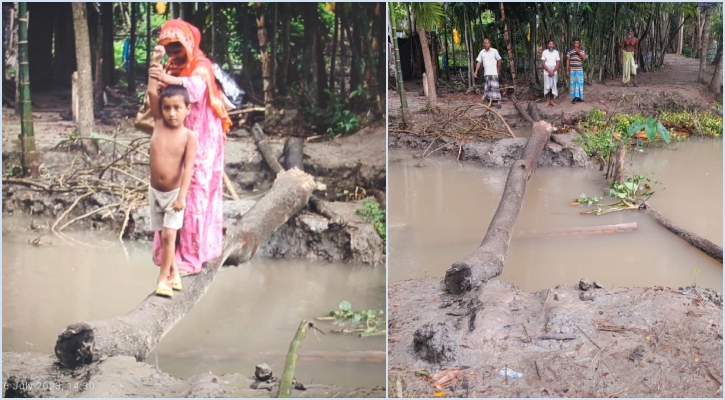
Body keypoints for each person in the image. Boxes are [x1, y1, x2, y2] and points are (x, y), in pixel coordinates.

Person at [148, 19, 231, 276]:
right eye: (169, 47)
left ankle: (192, 257)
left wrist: (168, 77)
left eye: (177, 46)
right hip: (175, 138)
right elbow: (156, 93)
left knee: (194, 196)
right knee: (173, 193)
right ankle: (169, 255)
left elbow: (194, 91)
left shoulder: (201, 66)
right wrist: (158, 64)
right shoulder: (173, 65)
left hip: (202, 140)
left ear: (189, 44)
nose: (173, 52)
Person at [147, 46, 198, 297]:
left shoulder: (189, 136)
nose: (171, 113)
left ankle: (163, 279)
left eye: (178, 108)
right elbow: (150, 91)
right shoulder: (158, 124)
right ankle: (175, 273)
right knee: (163, 235)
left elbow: (189, 167)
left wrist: (182, 197)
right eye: (167, 108)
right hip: (154, 191)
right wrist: (156, 61)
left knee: (169, 236)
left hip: (174, 194)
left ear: (188, 110)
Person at [473, 38, 502, 109]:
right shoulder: (482, 52)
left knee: (495, 87)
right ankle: (490, 101)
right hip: (486, 73)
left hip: (494, 72)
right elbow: (479, 62)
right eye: (485, 43)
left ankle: (498, 101)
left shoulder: (494, 51)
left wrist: (498, 70)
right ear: (483, 44)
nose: (486, 44)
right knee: (488, 88)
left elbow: (499, 60)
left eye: (487, 43)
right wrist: (476, 71)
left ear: (490, 44)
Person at [566, 38, 587, 104]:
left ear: (579, 43)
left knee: (579, 83)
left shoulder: (581, 50)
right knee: (573, 83)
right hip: (572, 69)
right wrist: (567, 70)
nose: (576, 44)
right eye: (575, 43)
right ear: (573, 43)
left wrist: (578, 51)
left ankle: (578, 97)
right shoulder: (570, 50)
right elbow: (568, 60)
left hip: (579, 69)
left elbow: (584, 58)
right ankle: (575, 97)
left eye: (577, 43)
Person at [541, 40, 561, 107]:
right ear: (547, 45)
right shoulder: (544, 52)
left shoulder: (556, 52)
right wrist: (549, 71)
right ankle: (547, 101)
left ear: (554, 45)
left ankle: (552, 101)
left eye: (552, 44)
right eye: (550, 44)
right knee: (547, 86)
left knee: (553, 86)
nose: (551, 45)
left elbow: (558, 62)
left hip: (554, 72)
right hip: (547, 72)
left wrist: (553, 71)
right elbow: (543, 63)